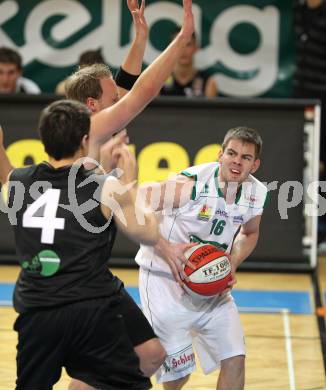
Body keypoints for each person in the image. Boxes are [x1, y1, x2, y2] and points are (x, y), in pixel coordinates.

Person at [0, 1, 196, 388]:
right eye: (112, 99)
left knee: (145, 356)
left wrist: (140, 38)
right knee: (127, 367)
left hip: (54, 284)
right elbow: (143, 91)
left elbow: (126, 83)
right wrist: (181, 38)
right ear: (91, 112)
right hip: (82, 286)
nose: (119, 102)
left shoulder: (33, 170)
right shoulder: (91, 130)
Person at [1, 99, 160, 389]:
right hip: (90, 312)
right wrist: (130, 181)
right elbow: (147, 233)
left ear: (43, 139)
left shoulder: (16, 183)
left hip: (38, 313)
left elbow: (6, 171)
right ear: (85, 139)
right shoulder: (105, 187)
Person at [136, 127, 268, 390]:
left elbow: (250, 233)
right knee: (179, 374)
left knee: (235, 359)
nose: (236, 161)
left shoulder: (257, 193)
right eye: (231, 153)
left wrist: (233, 261)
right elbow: (138, 202)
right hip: (166, 282)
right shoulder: (191, 186)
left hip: (211, 283)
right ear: (220, 154)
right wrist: (163, 246)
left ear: (255, 165)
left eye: (245, 157)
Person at [293, 0, 326, 247]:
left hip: (323, 99)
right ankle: (304, 229)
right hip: (302, 98)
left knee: (321, 166)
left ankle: (321, 230)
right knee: (302, 164)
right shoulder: (299, 10)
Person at [160, 28, 217, 97]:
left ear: (196, 47)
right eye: (178, 45)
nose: (183, 50)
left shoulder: (208, 82)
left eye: (188, 44)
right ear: (170, 48)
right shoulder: (160, 80)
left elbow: (211, 107)